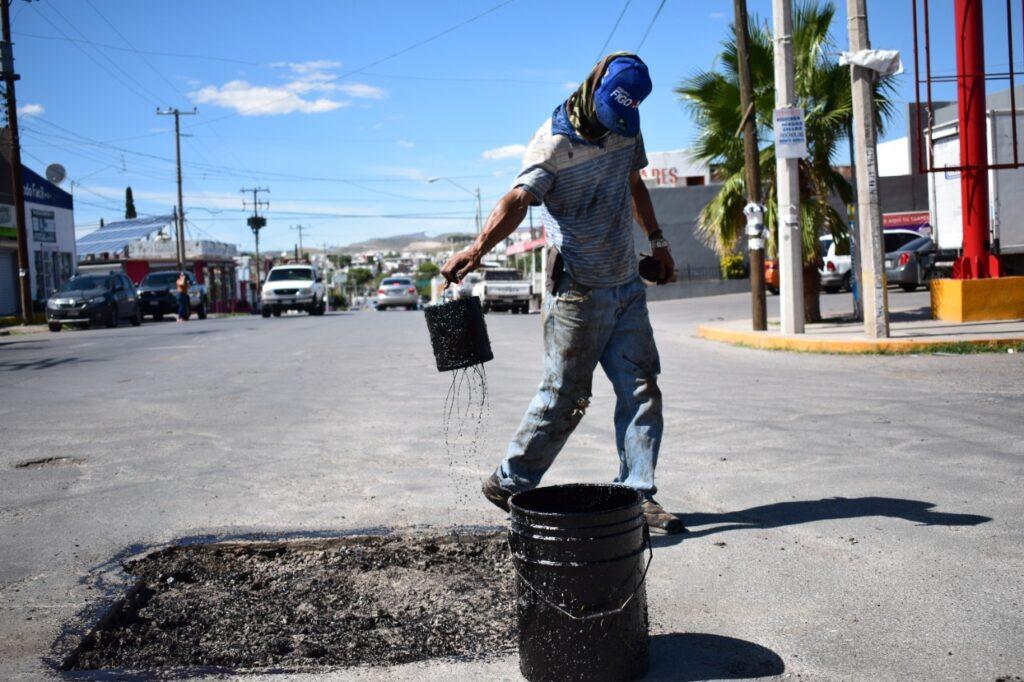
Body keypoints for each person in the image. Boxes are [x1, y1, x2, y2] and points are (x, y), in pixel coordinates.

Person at [441, 53, 685, 534]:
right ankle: (510, 481)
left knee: (641, 388)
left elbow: (633, 182)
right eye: (609, 114)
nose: (613, 125)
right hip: (577, 289)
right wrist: (477, 248)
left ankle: (638, 493)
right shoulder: (551, 144)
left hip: (626, 284)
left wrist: (658, 242)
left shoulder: (627, 126)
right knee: (566, 394)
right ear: (593, 89)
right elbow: (517, 200)